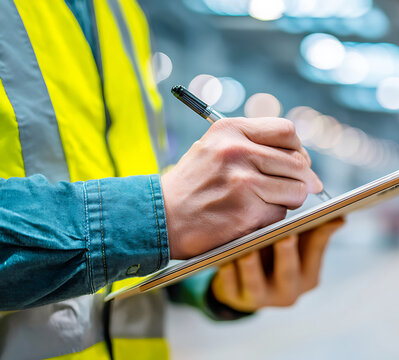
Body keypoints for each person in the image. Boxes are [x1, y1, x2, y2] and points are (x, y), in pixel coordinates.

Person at [0, 0, 343, 358]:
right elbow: (155, 214)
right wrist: (156, 216)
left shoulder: (119, 12)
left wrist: (213, 276)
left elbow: (137, 192)